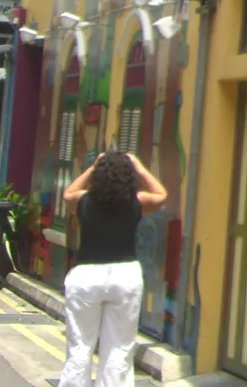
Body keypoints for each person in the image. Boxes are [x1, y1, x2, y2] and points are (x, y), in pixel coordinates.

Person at [59, 150, 167, 387]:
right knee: (119, 349)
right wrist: (138, 166)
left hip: (86, 275)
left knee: (80, 348)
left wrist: (93, 167)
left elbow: (67, 194)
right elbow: (161, 195)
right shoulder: (135, 202)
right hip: (124, 275)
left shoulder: (84, 201)